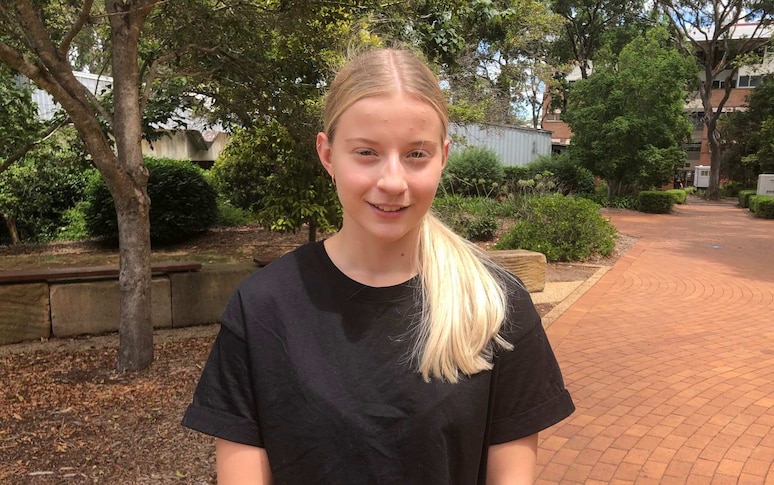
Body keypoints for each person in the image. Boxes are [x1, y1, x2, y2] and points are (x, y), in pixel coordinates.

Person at [182, 48, 575, 484]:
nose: (392, 181)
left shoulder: (494, 304)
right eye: (366, 152)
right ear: (328, 155)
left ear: (443, 156)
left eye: (416, 155)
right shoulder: (262, 308)